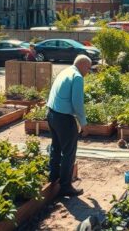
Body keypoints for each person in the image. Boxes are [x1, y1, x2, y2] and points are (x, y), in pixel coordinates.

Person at [45, 54, 91, 197]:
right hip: (64, 118)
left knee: (56, 147)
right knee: (69, 152)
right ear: (82, 65)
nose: (88, 72)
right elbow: (77, 103)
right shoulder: (77, 77)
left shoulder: (65, 71)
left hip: (51, 113)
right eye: (88, 68)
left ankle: (53, 177)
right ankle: (65, 186)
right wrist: (83, 123)